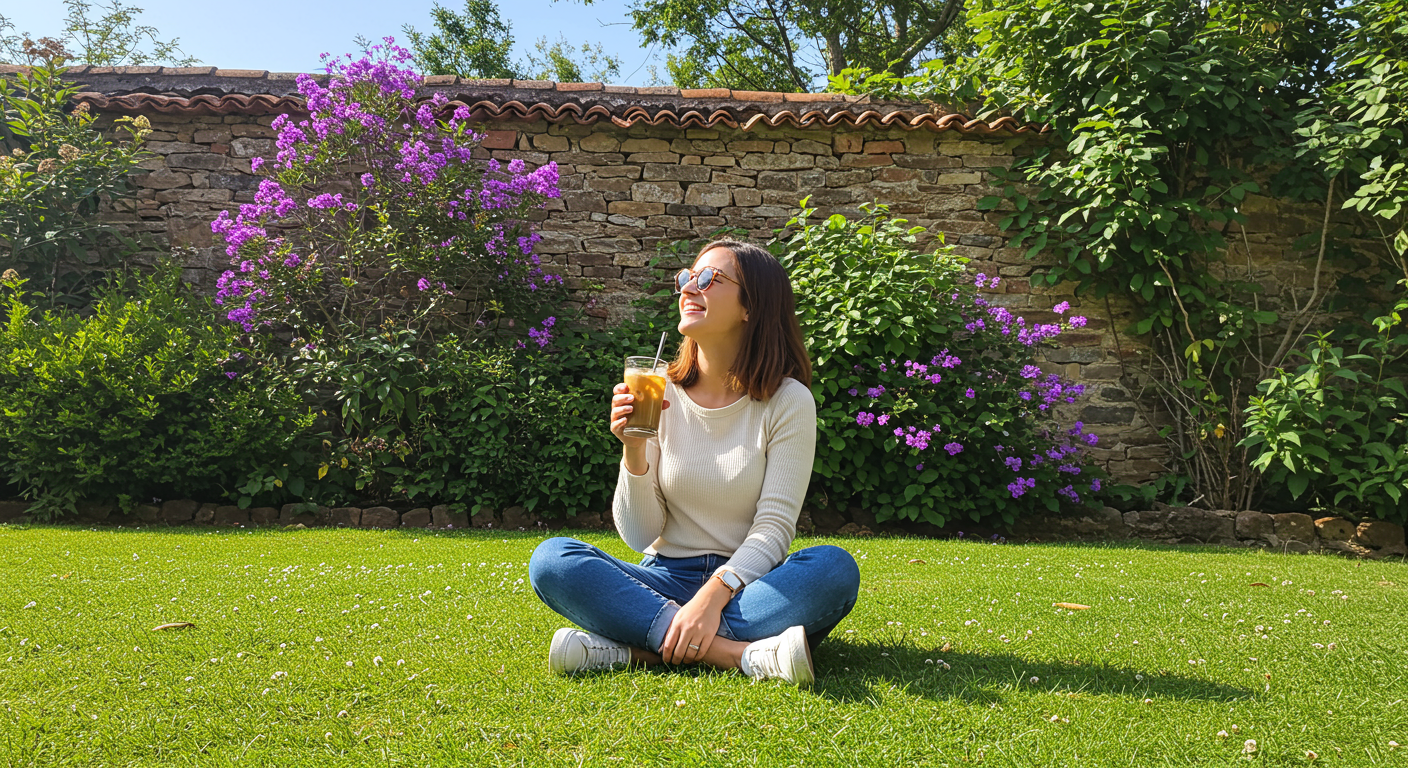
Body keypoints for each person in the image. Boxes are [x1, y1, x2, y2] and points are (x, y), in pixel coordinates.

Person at [528, 239, 861, 687]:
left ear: (751, 307)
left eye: (710, 279)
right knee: (553, 560)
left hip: (747, 585)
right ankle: (739, 655)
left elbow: (774, 528)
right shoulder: (657, 389)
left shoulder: (788, 401)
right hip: (662, 578)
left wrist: (713, 597)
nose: (689, 287)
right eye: (687, 277)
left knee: (834, 569)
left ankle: (636, 647)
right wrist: (633, 448)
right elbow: (640, 534)